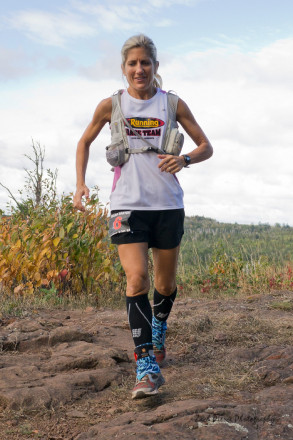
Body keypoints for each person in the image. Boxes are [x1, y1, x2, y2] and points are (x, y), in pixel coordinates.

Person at [73, 34, 213, 399]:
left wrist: (184, 159)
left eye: (145, 63)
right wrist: (80, 185)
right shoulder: (111, 105)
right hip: (127, 205)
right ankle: (146, 365)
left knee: (164, 286)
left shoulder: (172, 104)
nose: (139, 69)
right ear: (124, 69)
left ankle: (159, 326)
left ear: (155, 67)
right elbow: (84, 141)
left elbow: (205, 146)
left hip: (167, 206)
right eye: (132, 64)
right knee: (137, 279)